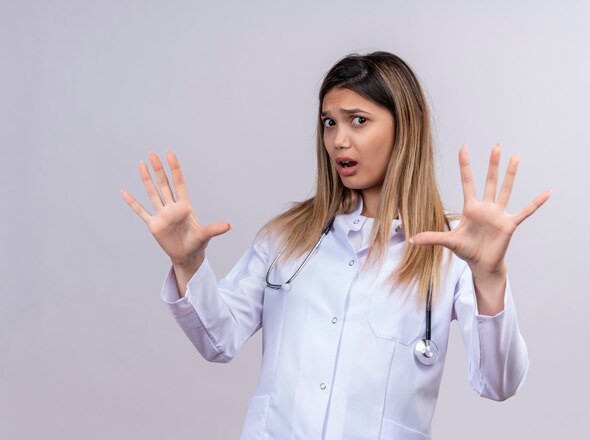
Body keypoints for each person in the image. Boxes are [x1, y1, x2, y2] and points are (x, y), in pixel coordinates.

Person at [121, 51, 550, 439]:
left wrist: (489, 276)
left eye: (358, 120)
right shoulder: (288, 236)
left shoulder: (450, 250)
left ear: (406, 129)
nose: (339, 140)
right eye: (330, 122)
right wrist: (187, 263)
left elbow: (498, 383)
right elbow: (218, 339)